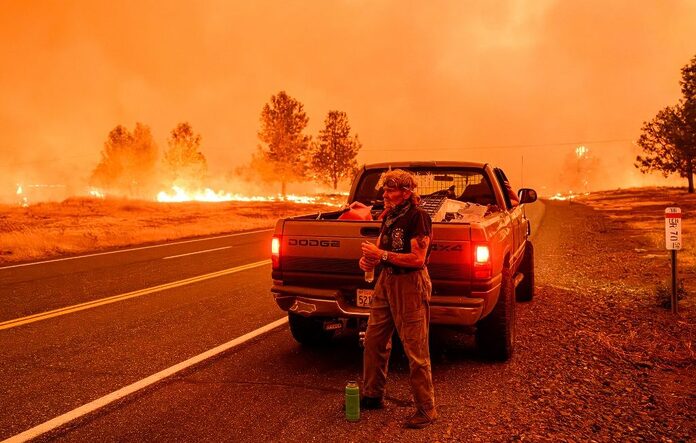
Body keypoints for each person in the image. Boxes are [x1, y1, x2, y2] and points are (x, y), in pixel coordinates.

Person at [359, 169, 437, 429]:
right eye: (385, 190)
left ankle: (426, 409)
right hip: (387, 281)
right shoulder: (390, 216)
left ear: (406, 193)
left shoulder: (419, 218)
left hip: (410, 284)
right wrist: (367, 259)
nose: (385, 194)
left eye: (390, 190)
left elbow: (417, 259)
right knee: (374, 339)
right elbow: (382, 249)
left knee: (415, 348)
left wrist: (379, 255)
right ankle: (372, 394)